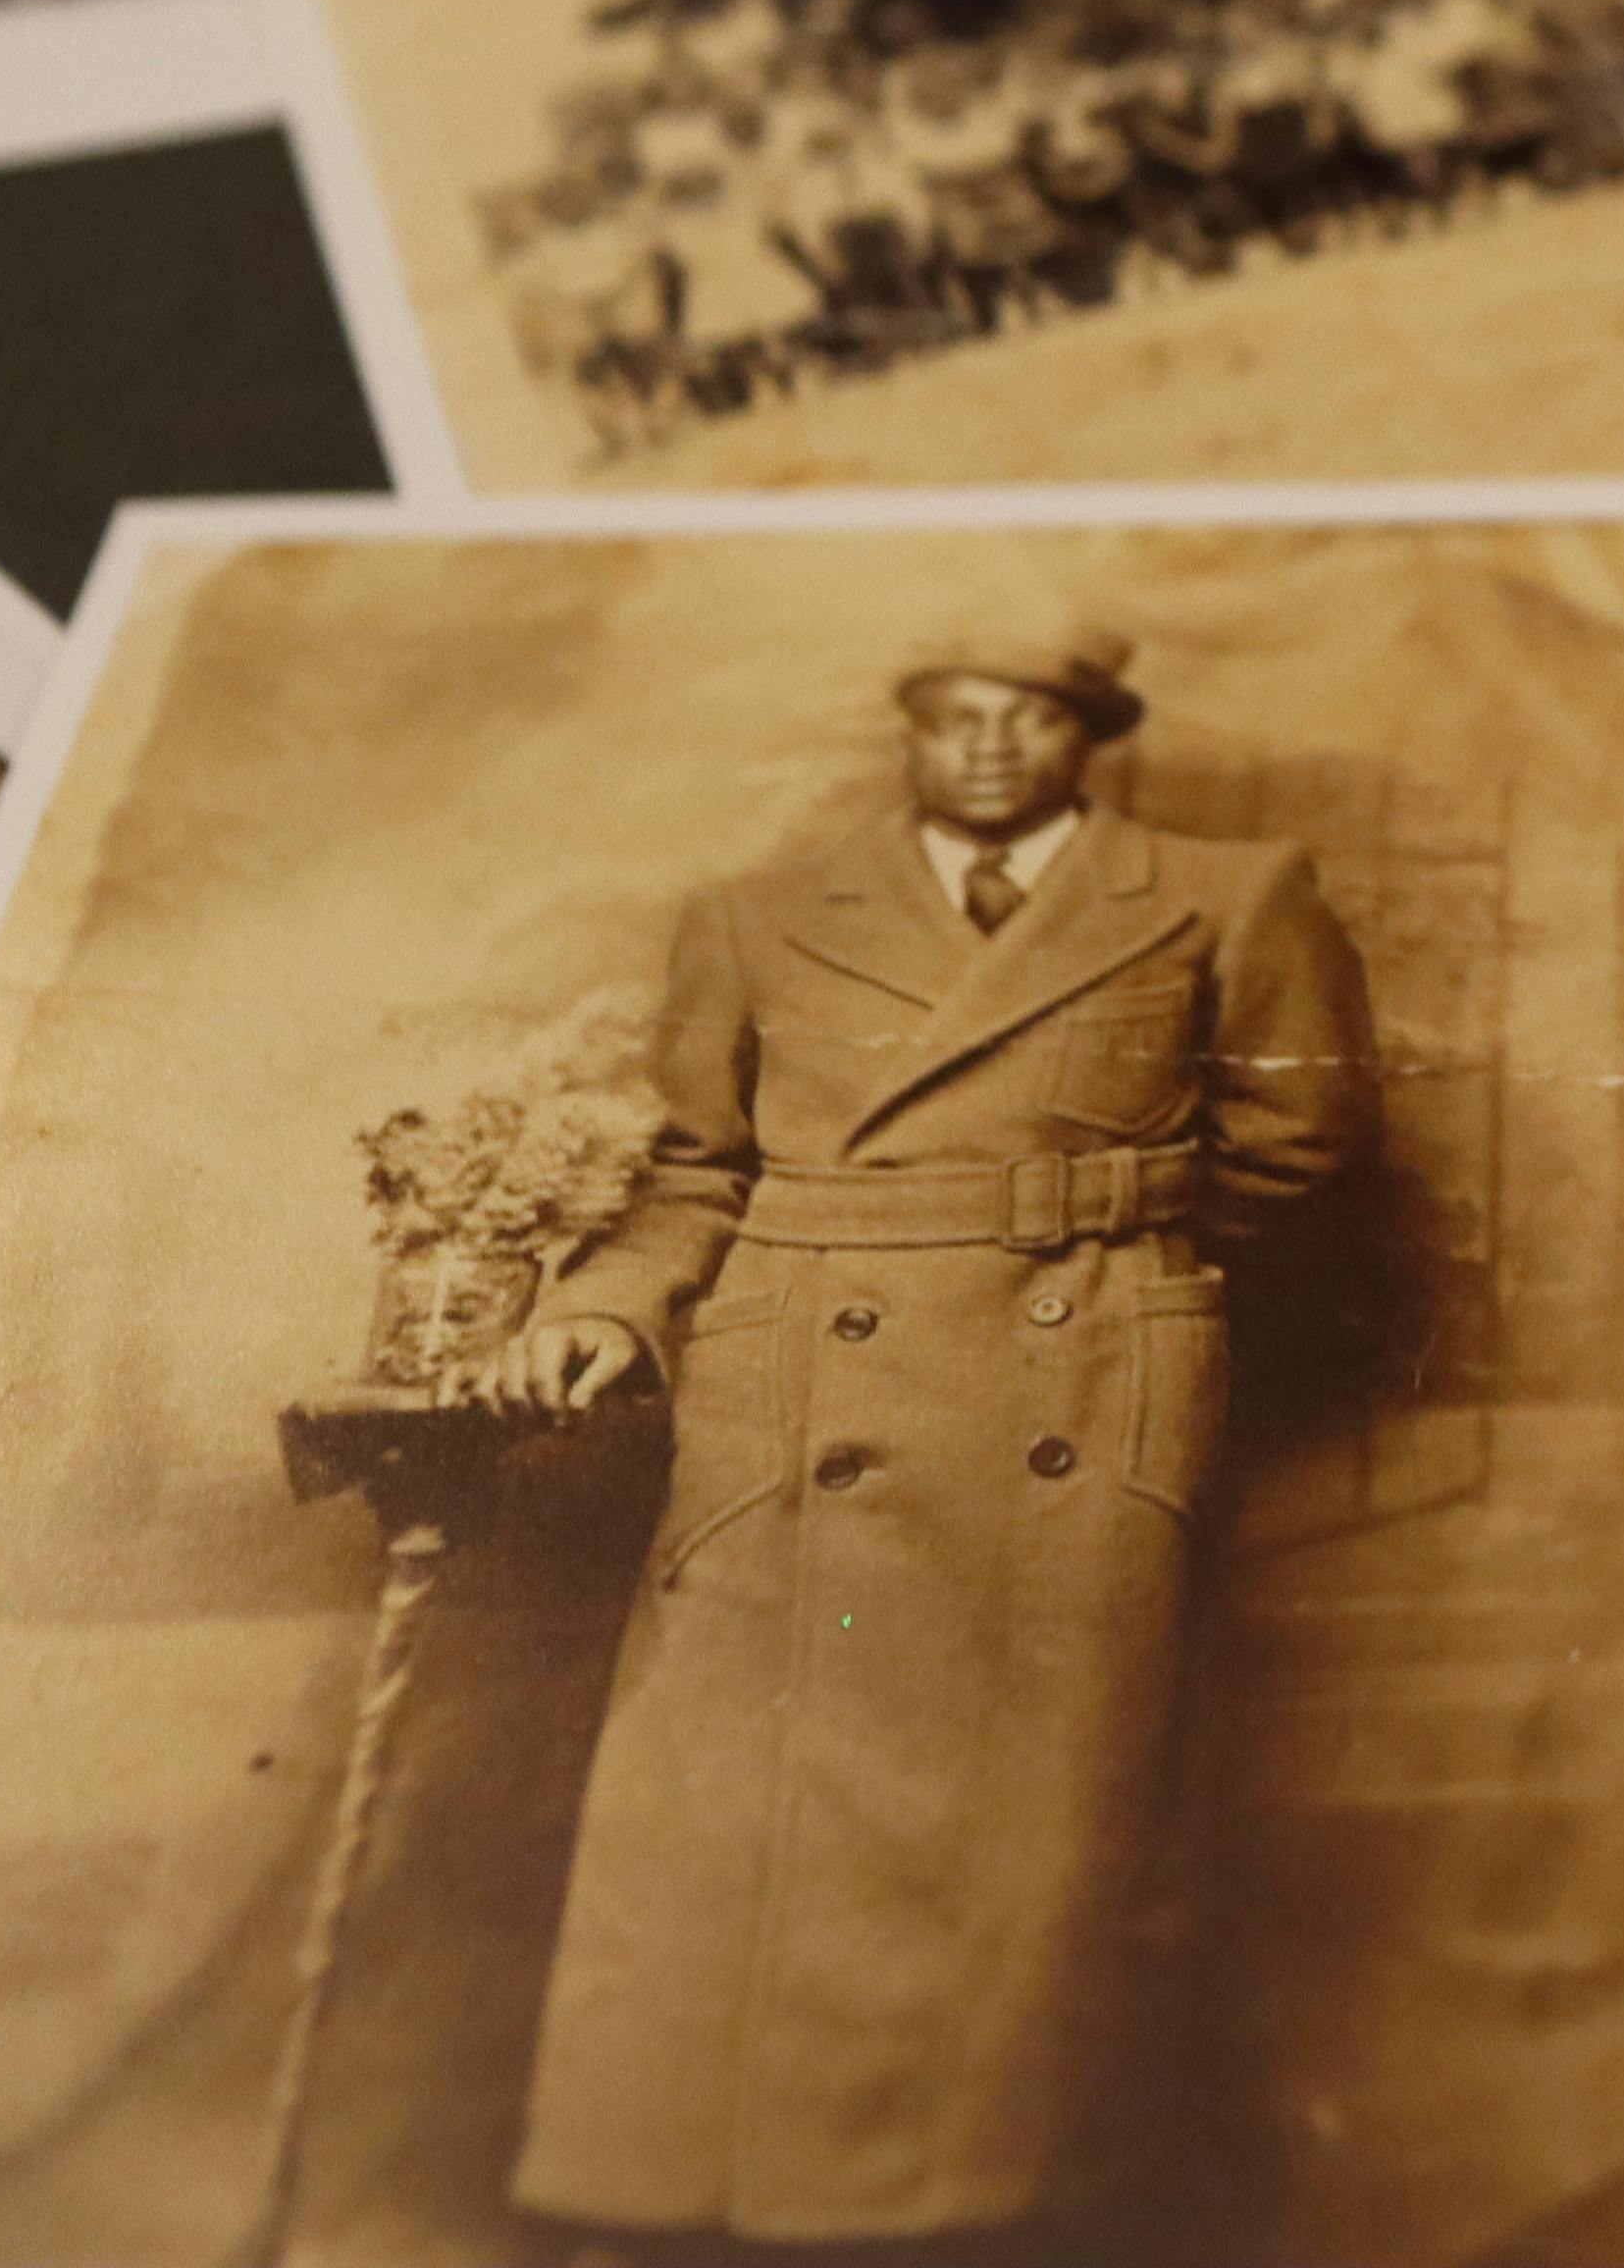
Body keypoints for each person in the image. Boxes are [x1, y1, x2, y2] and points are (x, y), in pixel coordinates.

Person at [494, 624, 1377, 2255]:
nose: (985, 746)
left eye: (1025, 718)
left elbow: (1300, 1142)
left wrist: (1114, 1268)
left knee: (1036, 1830)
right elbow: (695, 1168)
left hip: (1070, 1380)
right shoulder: (758, 914)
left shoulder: (1227, 893)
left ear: (1089, 736)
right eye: (953, 716)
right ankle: (677, 2202)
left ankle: (957, 2217)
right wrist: (611, 1305)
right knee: (728, 1794)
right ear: (908, 731)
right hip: (799, 1387)